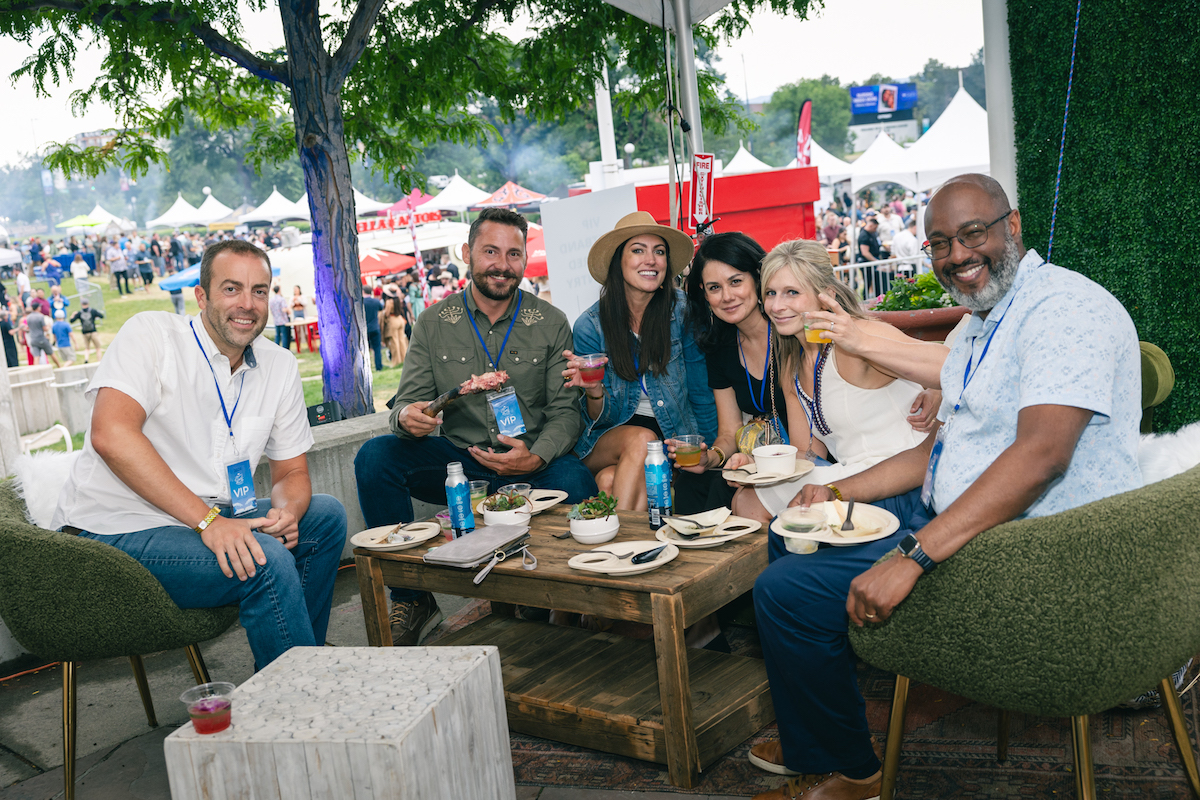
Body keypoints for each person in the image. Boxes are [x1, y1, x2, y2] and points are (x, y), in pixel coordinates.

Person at [745, 174, 1142, 800]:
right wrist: (841, 490)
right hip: (981, 535)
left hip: (1039, 558)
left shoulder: (1063, 309)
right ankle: (825, 739)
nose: (957, 255)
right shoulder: (992, 321)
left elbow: (1041, 456)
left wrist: (915, 553)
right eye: (940, 244)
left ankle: (853, 774)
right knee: (791, 536)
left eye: (972, 234)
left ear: (1012, 227)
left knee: (785, 593)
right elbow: (935, 450)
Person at [50, 239, 347, 670]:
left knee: (324, 516)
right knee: (268, 561)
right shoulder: (152, 335)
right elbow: (111, 435)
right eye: (232, 289)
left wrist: (287, 512)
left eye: (259, 291)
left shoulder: (278, 365)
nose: (247, 304)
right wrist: (210, 522)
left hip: (208, 517)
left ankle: (301, 664)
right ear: (202, 296)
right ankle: (303, 703)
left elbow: (292, 472)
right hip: (113, 529)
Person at [354, 207, 596, 646]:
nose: (502, 264)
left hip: (531, 463)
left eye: (514, 254)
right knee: (375, 458)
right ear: (467, 253)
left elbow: (565, 413)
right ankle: (412, 596)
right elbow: (408, 403)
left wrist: (536, 455)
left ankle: (548, 596)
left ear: (524, 259)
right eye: (490, 251)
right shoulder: (432, 322)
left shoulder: (550, 322)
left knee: (578, 480)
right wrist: (408, 418)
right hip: (459, 465)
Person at [729, 238, 944, 527]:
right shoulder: (791, 364)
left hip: (908, 477)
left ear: (826, 295)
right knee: (747, 498)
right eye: (771, 293)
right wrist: (761, 468)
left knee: (755, 502)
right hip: (850, 476)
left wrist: (938, 389)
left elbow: (954, 366)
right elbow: (809, 455)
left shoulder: (858, 337)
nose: (777, 306)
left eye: (792, 292)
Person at [563, 211, 716, 512]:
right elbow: (598, 418)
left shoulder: (683, 312)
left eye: (659, 251)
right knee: (642, 440)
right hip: (607, 438)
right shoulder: (590, 326)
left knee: (608, 481)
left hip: (671, 437)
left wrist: (708, 453)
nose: (651, 260)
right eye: (638, 250)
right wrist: (593, 391)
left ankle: (619, 548)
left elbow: (701, 391)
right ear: (617, 262)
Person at [681, 231, 789, 513]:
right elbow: (729, 431)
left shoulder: (788, 333)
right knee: (691, 482)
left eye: (736, 282)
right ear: (704, 294)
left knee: (724, 489)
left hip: (804, 455)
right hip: (758, 456)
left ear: (758, 277)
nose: (727, 297)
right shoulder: (720, 347)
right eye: (714, 288)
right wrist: (712, 457)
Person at [380, 284, 409, 367]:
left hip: (392, 321)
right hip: (400, 319)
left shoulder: (389, 301)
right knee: (402, 341)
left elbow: (387, 313)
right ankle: (404, 359)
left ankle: (396, 361)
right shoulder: (398, 299)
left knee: (394, 342)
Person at [363, 286, 385, 371]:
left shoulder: (361, 302)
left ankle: (366, 368)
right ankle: (378, 367)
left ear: (363, 291)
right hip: (375, 327)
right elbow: (381, 308)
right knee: (377, 348)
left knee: (364, 349)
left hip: (365, 329)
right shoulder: (376, 301)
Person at [269, 284, 291, 350]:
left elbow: (271, 310)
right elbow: (284, 309)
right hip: (283, 320)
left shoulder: (271, 300)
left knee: (277, 336)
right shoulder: (281, 299)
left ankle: (276, 350)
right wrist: (289, 309)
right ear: (279, 290)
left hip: (276, 320)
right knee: (284, 336)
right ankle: (285, 350)